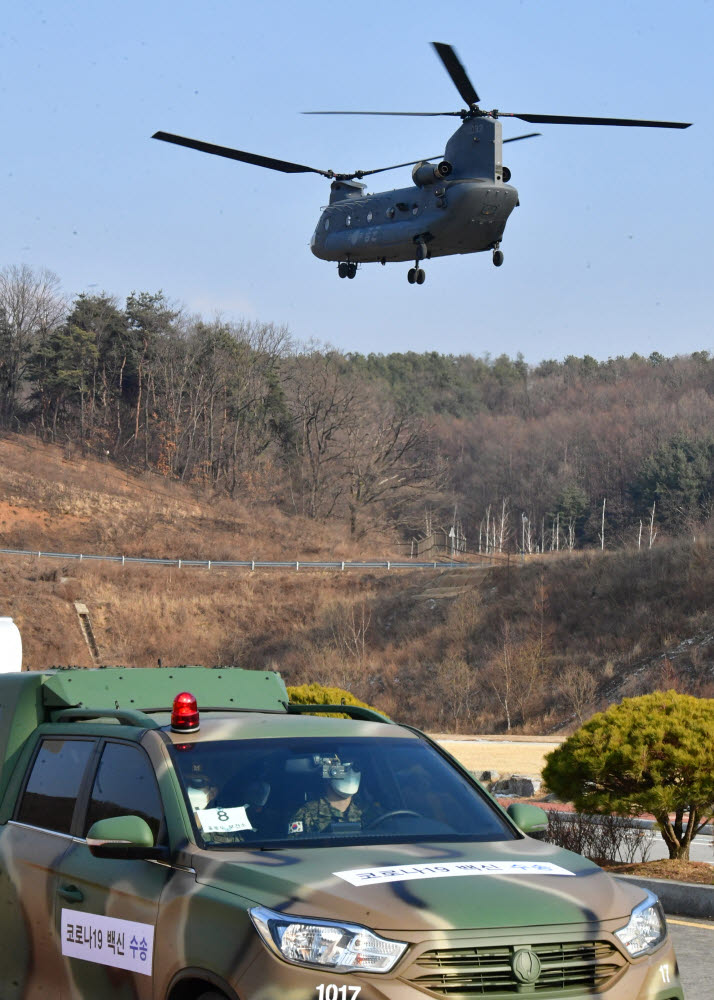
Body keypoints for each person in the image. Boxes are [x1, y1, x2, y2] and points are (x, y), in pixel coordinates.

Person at [288, 758, 364, 835]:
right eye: (338, 765)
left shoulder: (368, 813)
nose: (349, 770)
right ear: (326, 772)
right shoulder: (305, 814)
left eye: (354, 766)